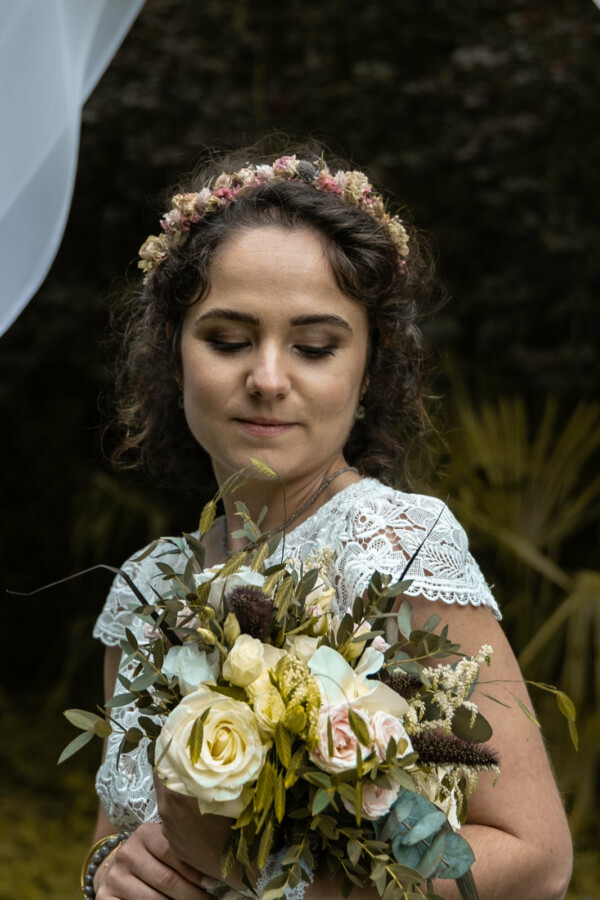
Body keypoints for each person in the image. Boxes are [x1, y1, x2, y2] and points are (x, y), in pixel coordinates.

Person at [84, 144, 573, 900]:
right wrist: (109, 871)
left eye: (314, 347)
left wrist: (300, 892)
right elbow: (115, 832)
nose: (268, 378)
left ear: (368, 367)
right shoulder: (146, 590)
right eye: (228, 340)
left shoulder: (395, 548)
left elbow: (536, 855)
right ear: (172, 355)